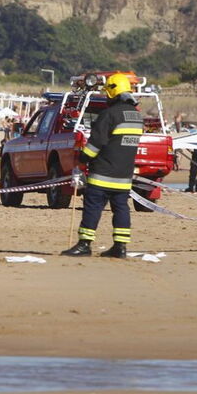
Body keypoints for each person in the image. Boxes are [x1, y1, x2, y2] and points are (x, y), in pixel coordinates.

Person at [61, 73, 143, 259]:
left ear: (113, 93)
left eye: (107, 93)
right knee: (121, 208)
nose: (106, 97)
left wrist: (82, 158)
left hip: (103, 173)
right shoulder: (136, 117)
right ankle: (120, 247)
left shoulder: (109, 114)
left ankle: (84, 245)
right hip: (124, 175)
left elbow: (96, 144)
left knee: (92, 207)